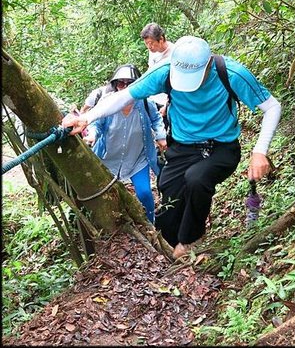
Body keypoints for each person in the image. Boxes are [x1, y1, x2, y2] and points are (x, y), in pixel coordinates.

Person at [62, 36, 281, 259]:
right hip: (184, 146)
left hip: (222, 147)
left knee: (197, 179)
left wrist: (259, 151)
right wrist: (87, 118)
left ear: (207, 65)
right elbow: (123, 97)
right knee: (169, 192)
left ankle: (189, 241)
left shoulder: (231, 73)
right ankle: (169, 247)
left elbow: (272, 107)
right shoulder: (165, 71)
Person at [82, 63, 167, 224]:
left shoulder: (145, 104)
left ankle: (150, 225)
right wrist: (92, 135)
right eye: (121, 83)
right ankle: (115, 227)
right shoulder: (107, 103)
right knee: (106, 197)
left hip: (137, 159)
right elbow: (96, 124)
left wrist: (161, 136)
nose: (125, 87)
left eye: (130, 83)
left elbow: (156, 120)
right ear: (115, 85)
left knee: (144, 194)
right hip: (107, 160)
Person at [140, 23, 175, 126]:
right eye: (146, 43)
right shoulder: (152, 52)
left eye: (151, 43)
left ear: (161, 39)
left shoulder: (174, 53)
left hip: (168, 101)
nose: (149, 47)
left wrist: (167, 105)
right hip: (153, 99)